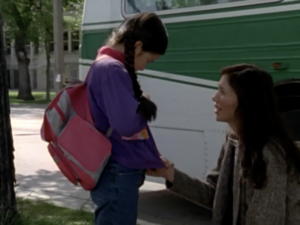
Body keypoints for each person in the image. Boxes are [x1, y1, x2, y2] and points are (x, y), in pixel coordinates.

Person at [147, 64, 300, 225]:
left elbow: (265, 219)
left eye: (223, 91)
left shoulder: (269, 154)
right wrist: (169, 173)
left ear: (244, 101)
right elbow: (217, 196)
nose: (214, 97)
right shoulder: (234, 139)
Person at [86, 13, 168, 225]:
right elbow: (127, 125)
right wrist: (143, 103)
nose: (143, 67)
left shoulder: (106, 66)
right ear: (138, 46)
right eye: (148, 60)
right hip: (118, 171)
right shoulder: (112, 69)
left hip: (116, 170)